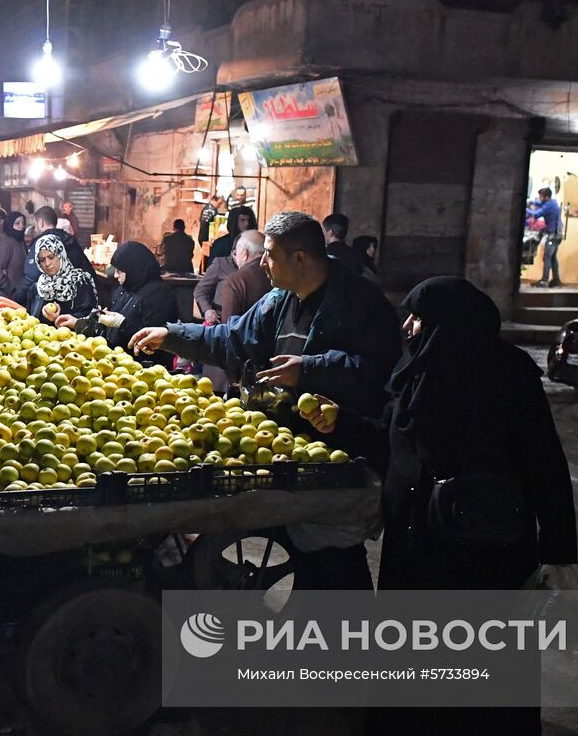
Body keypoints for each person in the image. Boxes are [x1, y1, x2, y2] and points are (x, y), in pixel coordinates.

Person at [300, 276, 577, 736]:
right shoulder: (416, 371)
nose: (408, 326)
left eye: (418, 317)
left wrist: (558, 550)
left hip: (481, 544)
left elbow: (545, 464)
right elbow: (391, 438)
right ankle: (409, 735)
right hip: (419, 538)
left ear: (450, 322)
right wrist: (339, 421)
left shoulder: (509, 374)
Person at [130, 212, 401, 591]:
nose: (261, 263)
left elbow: (381, 370)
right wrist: (171, 335)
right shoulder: (279, 301)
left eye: (270, 254)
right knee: (308, 555)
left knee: (336, 560)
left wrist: (309, 369)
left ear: (300, 259)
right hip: (290, 449)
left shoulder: (360, 301)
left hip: (341, 451)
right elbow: (231, 340)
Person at [60, 241, 178, 364]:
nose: (116, 275)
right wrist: (79, 323)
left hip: (139, 367)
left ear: (134, 269)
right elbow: (108, 327)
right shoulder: (124, 289)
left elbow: (152, 341)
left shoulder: (160, 296)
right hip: (112, 361)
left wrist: (122, 324)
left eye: (120, 271)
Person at [13, 205, 95, 305]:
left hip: (49, 304)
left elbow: (32, 275)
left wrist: (17, 298)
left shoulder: (42, 243)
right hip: (73, 301)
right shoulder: (71, 240)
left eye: (36, 224)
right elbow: (87, 269)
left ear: (41, 222)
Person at [30, 233, 98, 322]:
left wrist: (60, 318)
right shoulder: (39, 286)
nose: (47, 264)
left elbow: (90, 316)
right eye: (42, 260)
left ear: (60, 255)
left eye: (51, 257)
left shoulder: (79, 281)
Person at [218, 229, 272, 322]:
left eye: (236, 253)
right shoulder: (279, 276)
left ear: (244, 253)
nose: (235, 258)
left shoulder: (236, 281)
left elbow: (228, 329)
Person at [0, 206, 25, 298]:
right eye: (17, 223)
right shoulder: (6, 243)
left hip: (19, 292)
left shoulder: (20, 242)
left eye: (23, 223)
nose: (21, 226)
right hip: (6, 295)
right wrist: (10, 289)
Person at [526, 187, 562, 287]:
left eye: (540, 197)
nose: (539, 198)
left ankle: (544, 281)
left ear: (546, 197)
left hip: (552, 236)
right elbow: (539, 203)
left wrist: (525, 209)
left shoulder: (549, 206)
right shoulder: (552, 202)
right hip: (557, 235)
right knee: (553, 258)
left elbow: (537, 214)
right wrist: (531, 202)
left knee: (547, 257)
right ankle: (556, 281)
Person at [193, 249, 237, 325]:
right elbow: (200, 290)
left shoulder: (256, 267)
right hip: (220, 320)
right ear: (233, 253)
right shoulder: (221, 264)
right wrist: (207, 310)